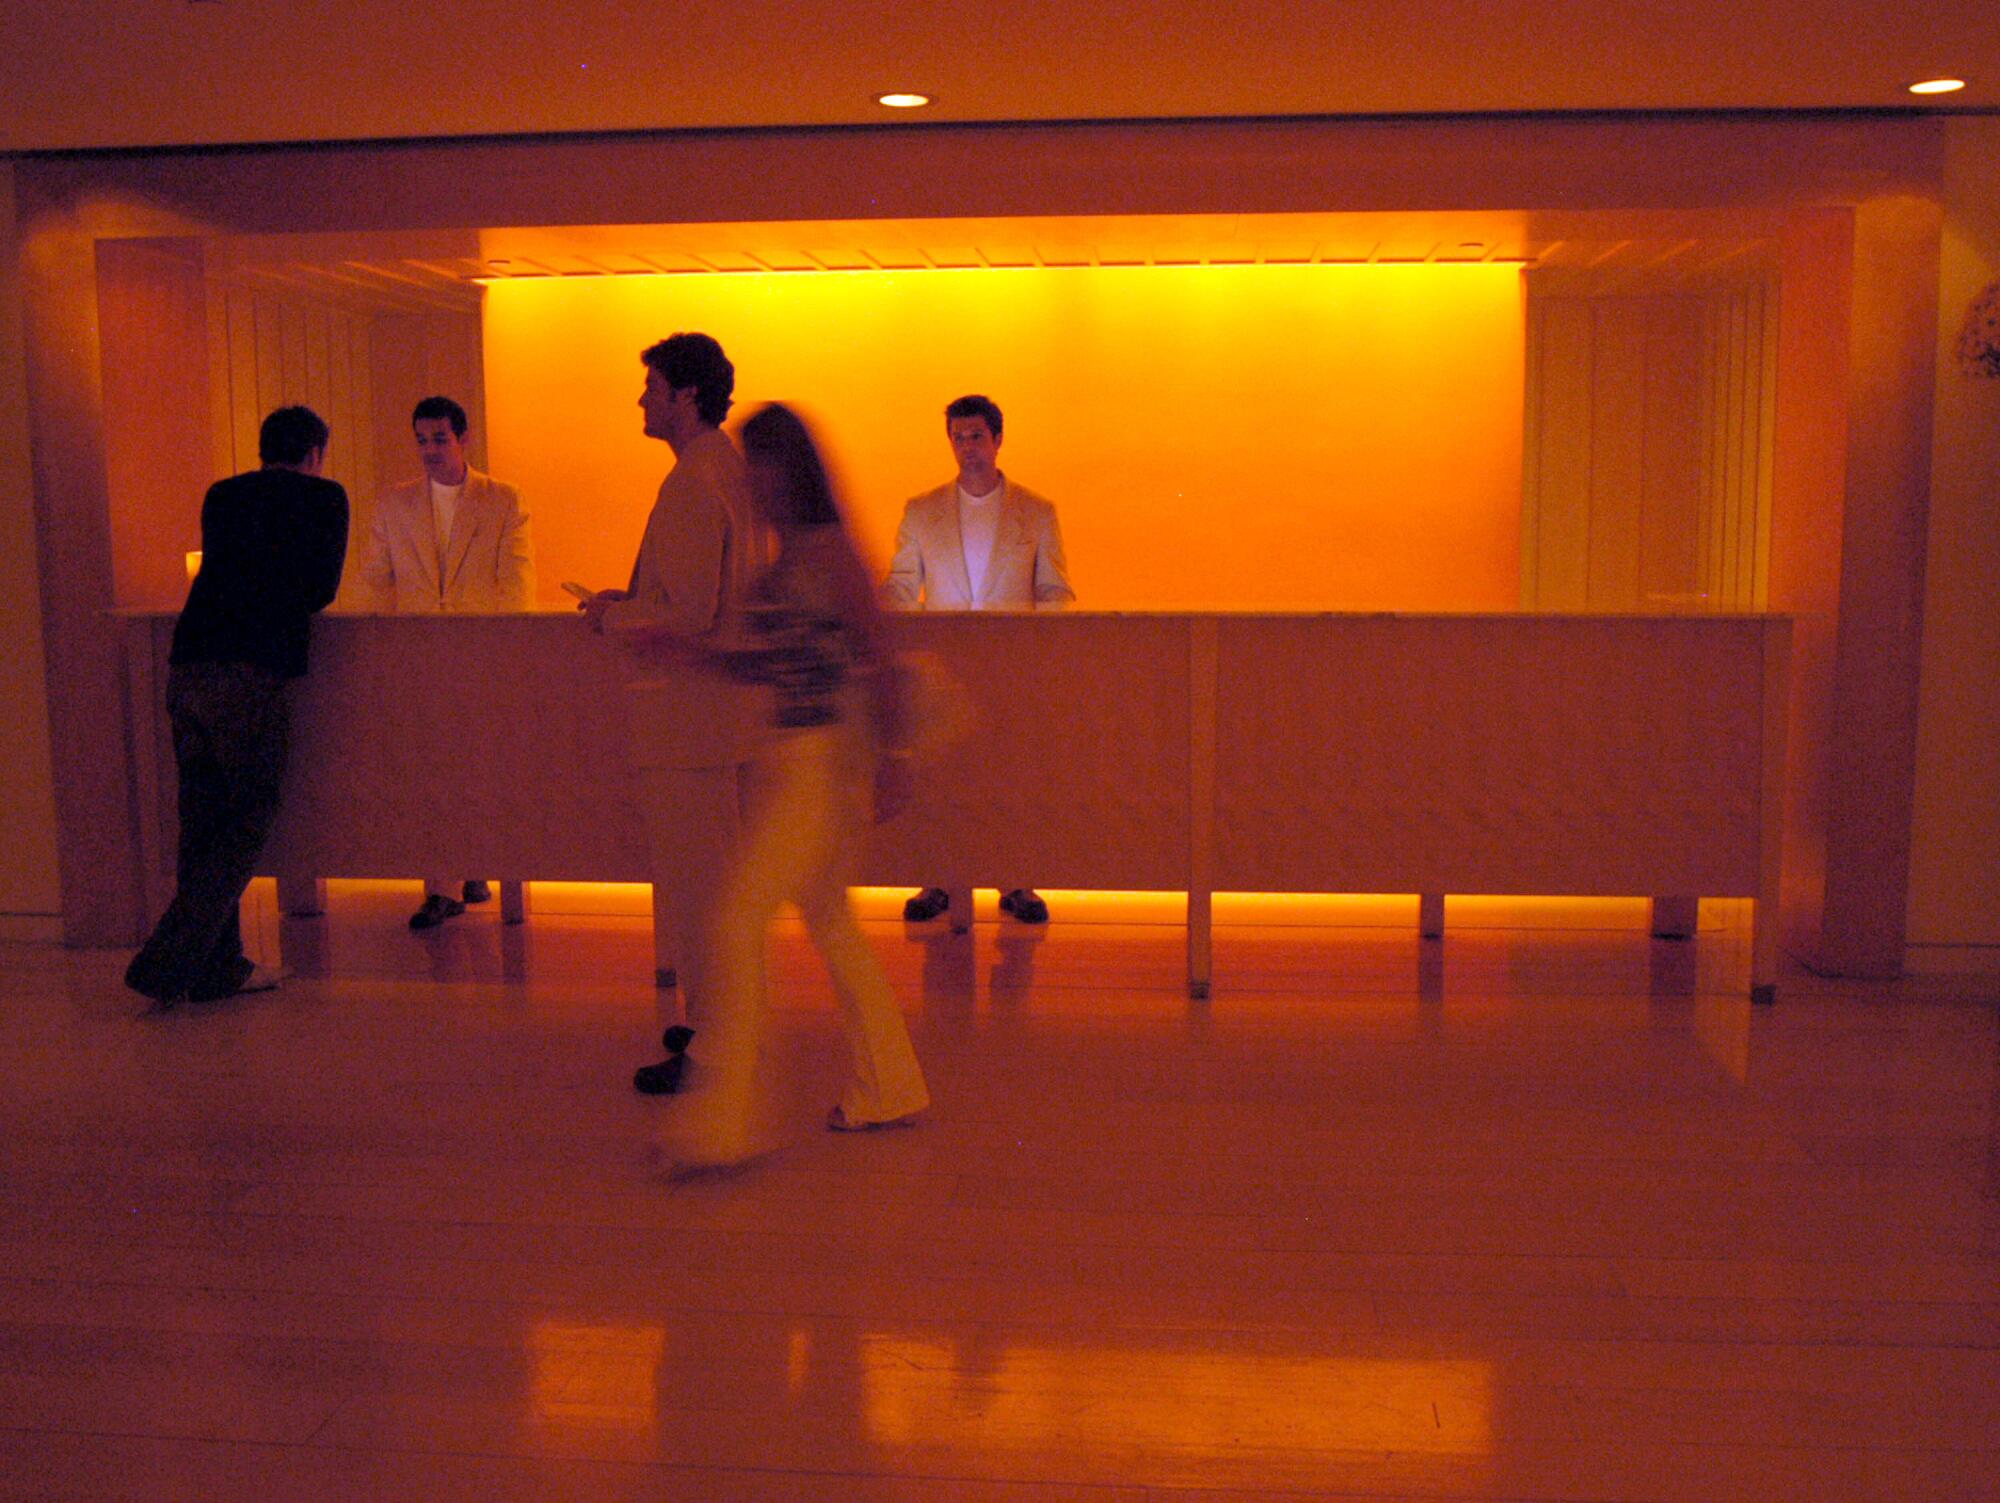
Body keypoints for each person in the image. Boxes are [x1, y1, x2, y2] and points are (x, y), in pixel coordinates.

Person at [644, 403, 929, 1170]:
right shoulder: (791, 555)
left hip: (821, 762)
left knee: (738, 923)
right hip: (798, 757)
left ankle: (722, 1125)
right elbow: (770, 666)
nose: (752, 480)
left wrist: (894, 757)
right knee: (828, 919)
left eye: (760, 465)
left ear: (790, 469)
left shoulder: (825, 551)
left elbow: (881, 650)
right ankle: (891, 1084)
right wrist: (683, 653)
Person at [581, 333, 766, 1094]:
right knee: (715, 887)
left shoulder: (693, 482)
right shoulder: (730, 471)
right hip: (719, 720)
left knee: (700, 895)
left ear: (685, 395)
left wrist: (612, 616)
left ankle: (718, 1046)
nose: (641, 400)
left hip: (689, 724)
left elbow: (688, 613)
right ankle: (717, 1026)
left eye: (651, 387)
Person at [125, 406, 349, 1007]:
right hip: (254, 670)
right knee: (249, 815)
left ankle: (216, 965)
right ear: (314, 455)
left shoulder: (222, 495)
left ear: (262, 448)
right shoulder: (324, 499)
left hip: (190, 662)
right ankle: (169, 959)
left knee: (202, 819)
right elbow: (322, 590)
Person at [883, 393, 1074, 925]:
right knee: (938, 771)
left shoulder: (1036, 511)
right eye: (958, 437)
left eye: (975, 436)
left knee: (1013, 770)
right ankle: (938, 878)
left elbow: (1055, 589)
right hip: (944, 661)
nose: (966, 447)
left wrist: (1043, 646)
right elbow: (902, 584)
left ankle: (1017, 878)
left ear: (997, 439)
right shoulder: (922, 511)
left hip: (1012, 665)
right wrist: (890, 624)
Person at [359, 394, 537, 930]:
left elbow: (517, 584)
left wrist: (499, 653)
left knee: (483, 769)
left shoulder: (503, 500)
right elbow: (377, 582)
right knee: (429, 771)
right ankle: (441, 886)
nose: (429, 450)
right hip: (418, 659)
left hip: (481, 657)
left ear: (463, 439)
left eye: (439, 438)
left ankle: (481, 865)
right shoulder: (394, 504)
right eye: (421, 440)